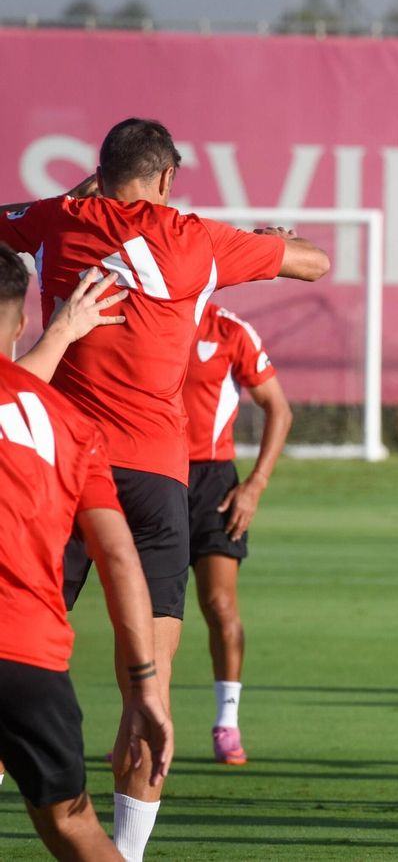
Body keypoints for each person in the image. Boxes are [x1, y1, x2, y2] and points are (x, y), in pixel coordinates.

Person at [0, 117, 329, 861]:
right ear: (168, 178)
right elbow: (315, 262)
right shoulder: (197, 236)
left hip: (57, 466)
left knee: (9, 645)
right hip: (152, 480)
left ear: (99, 170)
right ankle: (129, 853)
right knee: (146, 686)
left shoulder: (58, 219)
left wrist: (77, 198)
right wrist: (261, 240)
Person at [0, 245, 174, 861]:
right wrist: (146, 688)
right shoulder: (70, 425)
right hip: (30, 660)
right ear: (21, 323)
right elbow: (120, 558)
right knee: (76, 830)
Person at [181, 303, 293, 766]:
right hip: (150, 477)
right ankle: (138, 723)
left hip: (213, 485)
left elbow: (278, 410)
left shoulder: (229, 330)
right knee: (141, 613)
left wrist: (254, 485)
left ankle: (227, 723)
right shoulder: (144, 317)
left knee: (219, 604)